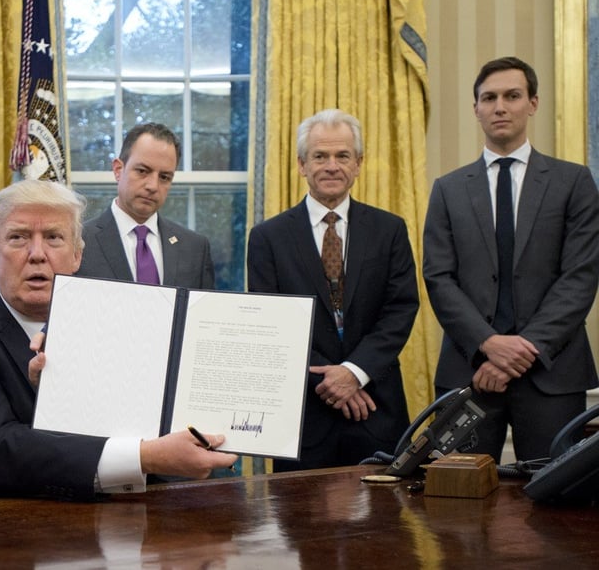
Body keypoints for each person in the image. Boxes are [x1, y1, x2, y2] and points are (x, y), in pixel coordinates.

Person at [0, 180, 236, 505]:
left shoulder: (118, 332)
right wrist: (145, 456)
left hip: (102, 526)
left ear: (77, 256)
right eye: (18, 237)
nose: (37, 255)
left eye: (53, 238)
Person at [423, 56, 599, 463]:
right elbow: (439, 278)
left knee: (556, 506)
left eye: (512, 96)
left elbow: (580, 277)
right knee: (459, 505)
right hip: (468, 372)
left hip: (551, 374)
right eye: (489, 98)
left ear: (533, 103)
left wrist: (520, 353)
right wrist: (487, 344)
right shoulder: (448, 189)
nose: (499, 106)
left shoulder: (572, 182)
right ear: (476, 109)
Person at [247, 109, 419, 471]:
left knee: (385, 524)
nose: (331, 166)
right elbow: (271, 325)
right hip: (304, 416)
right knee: (300, 524)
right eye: (319, 156)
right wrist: (331, 381)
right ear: (301, 165)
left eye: (342, 156)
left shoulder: (389, 230)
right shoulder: (267, 238)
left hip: (375, 409)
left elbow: (400, 309)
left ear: (358, 164)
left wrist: (354, 372)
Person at [76, 122, 215, 289]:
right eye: (142, 171)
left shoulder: (195, 249)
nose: (153, 186)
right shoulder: (78, 241)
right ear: (118, 170)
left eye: (164, 177)